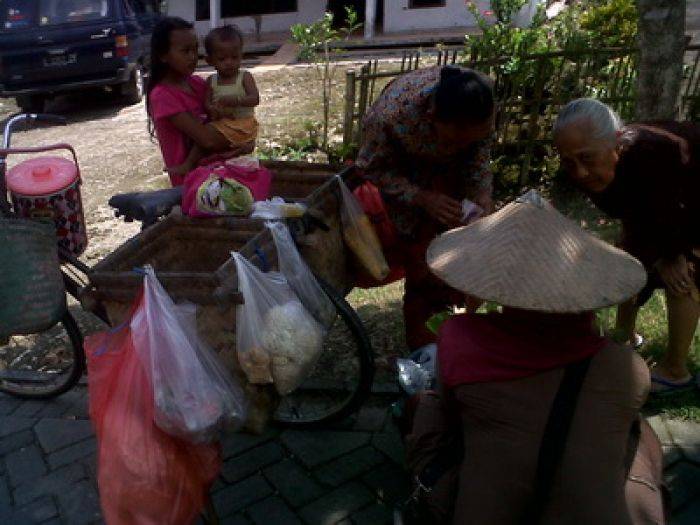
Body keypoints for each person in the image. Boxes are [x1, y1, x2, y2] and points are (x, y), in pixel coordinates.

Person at [403, 191, 665, 524]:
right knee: (640, 432)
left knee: (425, 405)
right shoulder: (627, 368)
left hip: (478, 511)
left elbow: (452, 417)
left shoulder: (460, 338)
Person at [553, 98, 700, 393]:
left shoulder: (652, 154)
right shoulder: (596, 170)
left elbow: (676, 214)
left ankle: (675, 371)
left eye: (587, 159)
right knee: (629, 260)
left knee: (683, 273)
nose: (580, 172)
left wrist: (670, 255)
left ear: (617, 144)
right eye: (570, 162)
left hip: (694, 195)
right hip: (665, 200)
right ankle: (624, 337)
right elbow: (638, 214)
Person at [356, 65, 495, 351]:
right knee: (425, 272)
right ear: (431, 118)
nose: (461, 146)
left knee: (465, 262)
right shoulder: (389, 117)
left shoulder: (481, 101)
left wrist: (480, 193)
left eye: (469, 140)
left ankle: (459, 337)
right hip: (409, 186)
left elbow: (479, 152)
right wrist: (421, 197)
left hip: (452, 185)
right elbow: (371, 168)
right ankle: (426, 354)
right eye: (455, 141)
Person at [145, 17, 252, 186]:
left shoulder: (199, 83)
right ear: (163, 55)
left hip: (223, 175)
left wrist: (244, 139)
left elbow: (224, 122)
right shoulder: (163, 95)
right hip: (193, 186)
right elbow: (207, 140)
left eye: (195, 49)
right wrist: (242, 137)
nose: (193, 57)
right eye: (185, 51)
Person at [171, 24, 260, 177]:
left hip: (244, 124)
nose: (229, 62)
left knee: (204, 134)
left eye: (234, 57)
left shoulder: (244, 77)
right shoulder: (211, 81)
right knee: (205, 137)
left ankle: (188, 164)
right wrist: (213, 109)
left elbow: (255, 99)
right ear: (210, 60)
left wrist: (237, 100)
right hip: (223, 123)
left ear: (241, 56)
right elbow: (207, 103)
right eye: (222, 59)